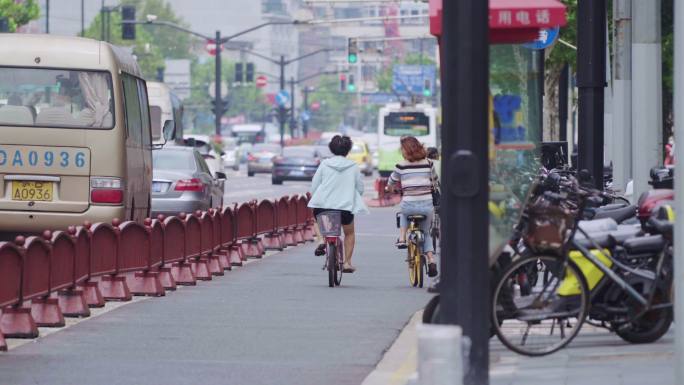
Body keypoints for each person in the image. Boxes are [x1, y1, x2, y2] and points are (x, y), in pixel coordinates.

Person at [308, 135, 368, 273]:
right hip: (345, 208)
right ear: (348, 150)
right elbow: (360, 189)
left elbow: (315, 186)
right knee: (349, 233)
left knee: (316, 220)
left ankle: (320, 241)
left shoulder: (324, 164)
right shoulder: (353, 166)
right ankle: (347, 263)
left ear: (331, 149)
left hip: (323, 207)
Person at [387, 136, 439, 277]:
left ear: (406, 150)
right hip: (427, 205)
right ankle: (431, 260)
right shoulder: (429, 163)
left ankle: (402, 238)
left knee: (403, 213)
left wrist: (390, 189)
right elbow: (435, 180)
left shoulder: (401, 166)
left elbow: (391, 183)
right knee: (426, 233)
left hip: (409, 205)